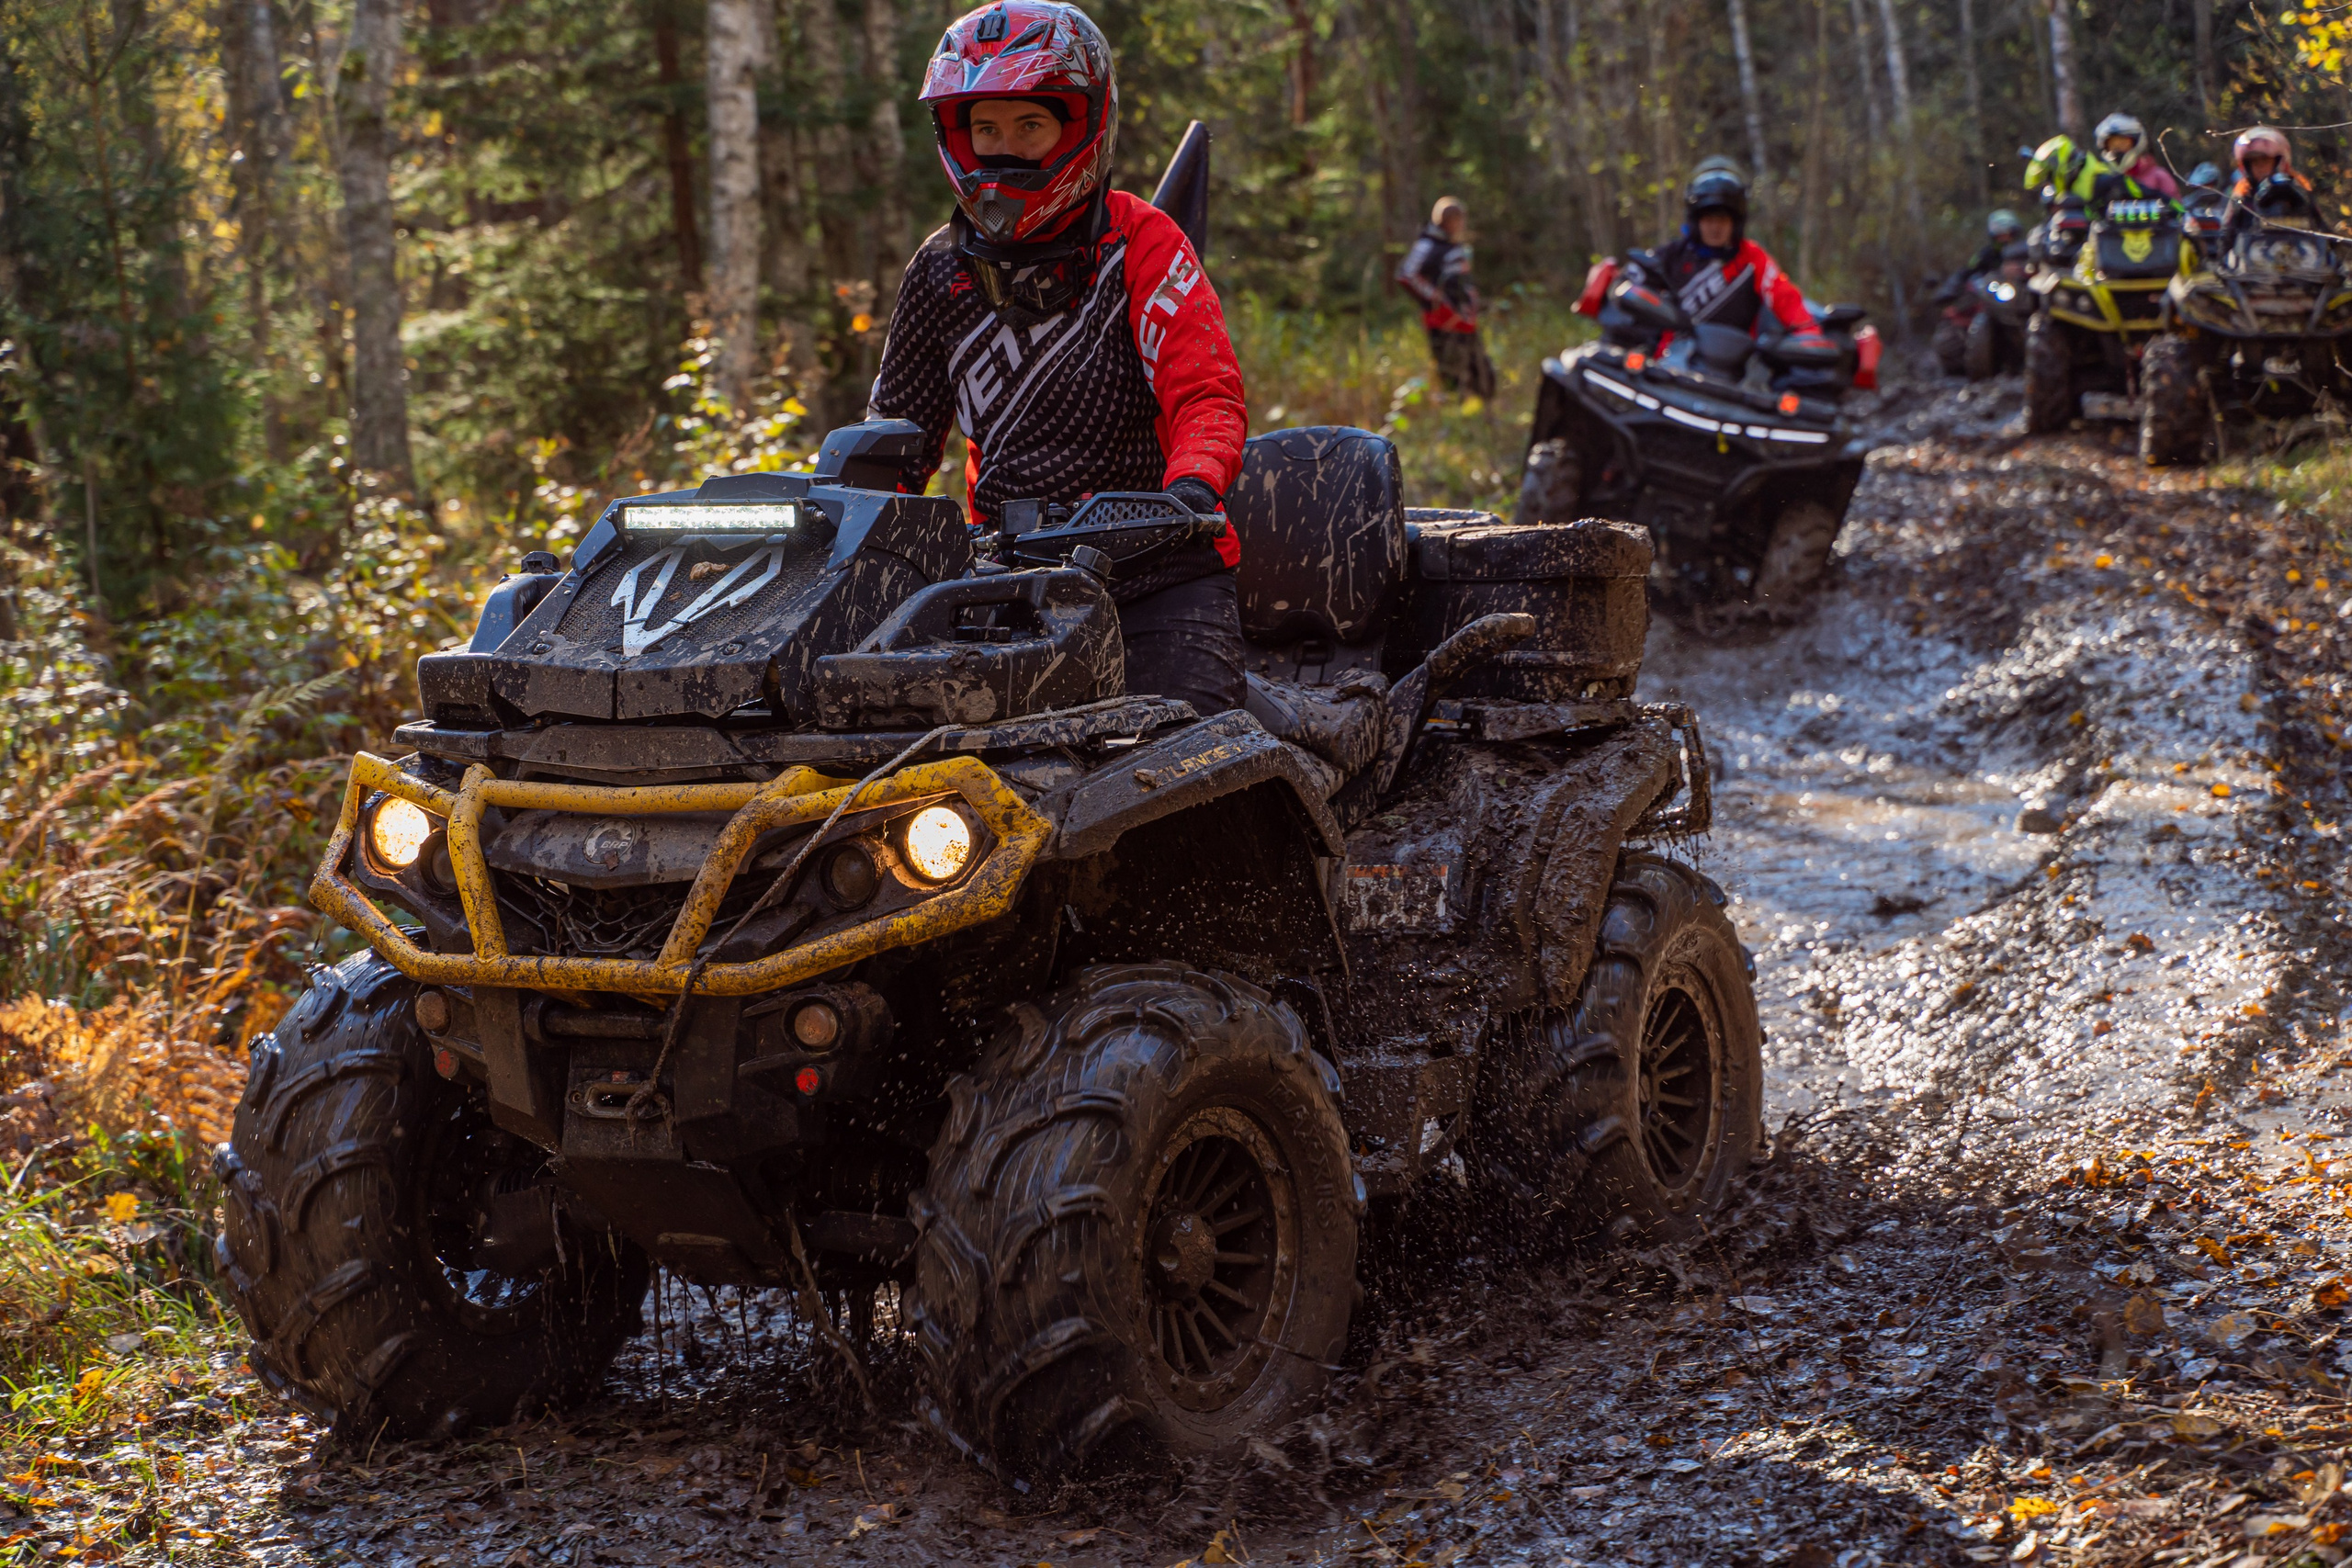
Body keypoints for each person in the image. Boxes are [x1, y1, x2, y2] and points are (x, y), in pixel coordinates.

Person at [866, 0, 1250, 716]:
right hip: (1001, 579)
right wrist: (851, 532)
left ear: (1080, 126)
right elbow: (894, 444)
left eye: (1030, 126)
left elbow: (1205, 395)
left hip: (1157, 570)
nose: (1004, 148)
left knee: (1184, 764)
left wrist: (1193, 487)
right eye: (986, 128)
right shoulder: (939, 270)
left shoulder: (1143, 243)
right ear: (959, 135)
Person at [1625, 160, 1825, 346]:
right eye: (1708, 220)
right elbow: (1631, 281)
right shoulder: (1672, 255)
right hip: (1671, 363)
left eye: (1722, 220)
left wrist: (1809, 336)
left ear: (1735, 223)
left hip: (1733, 369)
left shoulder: (1751, 258)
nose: (1715, 227)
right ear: (1696, 221)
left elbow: (1786, 298)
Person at [1396, 197, 1498, 399]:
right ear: (1446, 220)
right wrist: (1437, 300)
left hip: (1465, 321)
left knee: (1483, 375)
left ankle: (1483, 416)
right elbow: (1406, 275)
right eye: (1457, 220)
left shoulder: (1454, 245)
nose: (1461, 225)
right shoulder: (1427, 245)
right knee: (1452, 376)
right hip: (1443, 322)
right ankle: (1455, 418)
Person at [2222, 126, 2322, 235]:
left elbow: (2321, 227)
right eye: (2254, 162)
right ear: (2246, 166)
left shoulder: (2299, 187)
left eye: (2265, 160)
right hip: (2256, 250)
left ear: (2279, 161)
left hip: (2298, 250)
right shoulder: (2242, 192)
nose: (2260, 167)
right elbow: (2227, 231)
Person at [2092, 112, 2180, 200]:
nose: (2117, 150)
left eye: (2122, 143)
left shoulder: (2159, 177)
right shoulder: (2103, 182)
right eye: (2112, 146)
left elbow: (2176, 209)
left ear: (2136, 142)